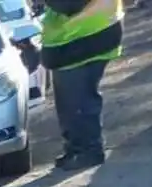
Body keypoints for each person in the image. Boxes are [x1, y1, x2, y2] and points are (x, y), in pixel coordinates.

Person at [28, 0, 124, 168]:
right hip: (76, 40)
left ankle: (89, 151)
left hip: (88, 37)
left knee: (80, 101)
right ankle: (76, 149)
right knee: (69, 103)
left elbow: (68, 5)